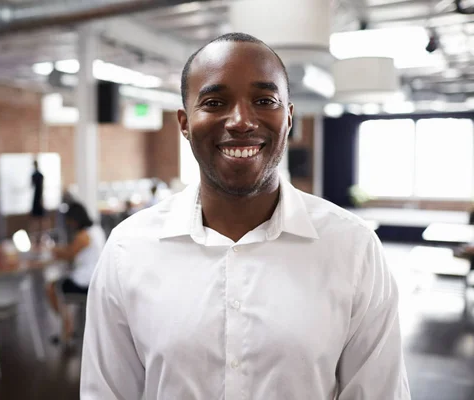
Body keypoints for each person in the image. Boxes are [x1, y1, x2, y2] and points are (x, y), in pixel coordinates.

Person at [80, 32, 411, 399]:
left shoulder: (353, 248)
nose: (240, 121)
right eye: (215, 101)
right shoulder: (129, 250)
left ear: (288, 118)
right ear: (184, 123)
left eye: (264, 100)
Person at [46, 200, 106, 345]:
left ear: (74, 219)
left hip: (85, 282)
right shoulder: (97, 230)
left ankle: (67, 327)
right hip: (97, 279)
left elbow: (69, 254)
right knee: (58, 283)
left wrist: (52, 249)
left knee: (51, 288)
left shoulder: (83, 235)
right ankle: (68, 327)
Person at [30, 160, 45, 239]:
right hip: (38, 197)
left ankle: (39, 235)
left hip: (37, 197)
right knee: (37, 218)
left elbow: (32, 185)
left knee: (39, 219)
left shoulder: (36, 175)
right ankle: (37, 235)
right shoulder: (38, 175)